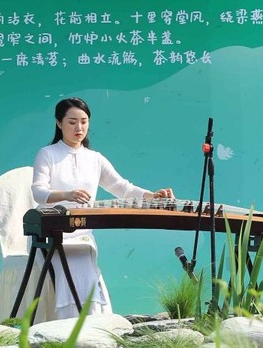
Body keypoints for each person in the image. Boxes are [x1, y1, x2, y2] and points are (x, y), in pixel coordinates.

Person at [31, 97, 174, 317]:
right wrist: (66, 195)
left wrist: (152, 196)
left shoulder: (94, 159)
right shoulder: (47, 154)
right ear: (59, 123)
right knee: (75, 268)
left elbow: (122, 187)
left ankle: (90, 322)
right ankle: (76, 323)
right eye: (72, 122)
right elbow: (38, 191)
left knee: (83, 265)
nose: (79, 128)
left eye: (84, 122)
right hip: (52, 234)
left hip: (82, 234)